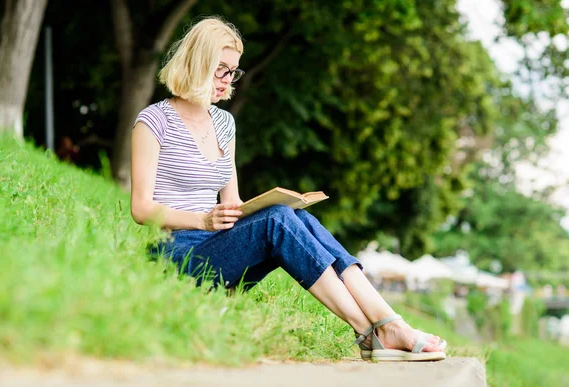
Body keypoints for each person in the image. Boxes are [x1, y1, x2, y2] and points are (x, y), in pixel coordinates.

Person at [130, 16, 446, 362]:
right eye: (221, 69)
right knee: (278, 220)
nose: (227, 81)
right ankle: (374, 329)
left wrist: (269, 206)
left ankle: (386, 323)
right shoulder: (154, 121)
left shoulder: (224, 123)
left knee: (291, 217)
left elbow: (232, 202)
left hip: (220, 248)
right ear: (198, 62)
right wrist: (203, 221)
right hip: (177, 255)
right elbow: (141, 209)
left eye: (233, 72)